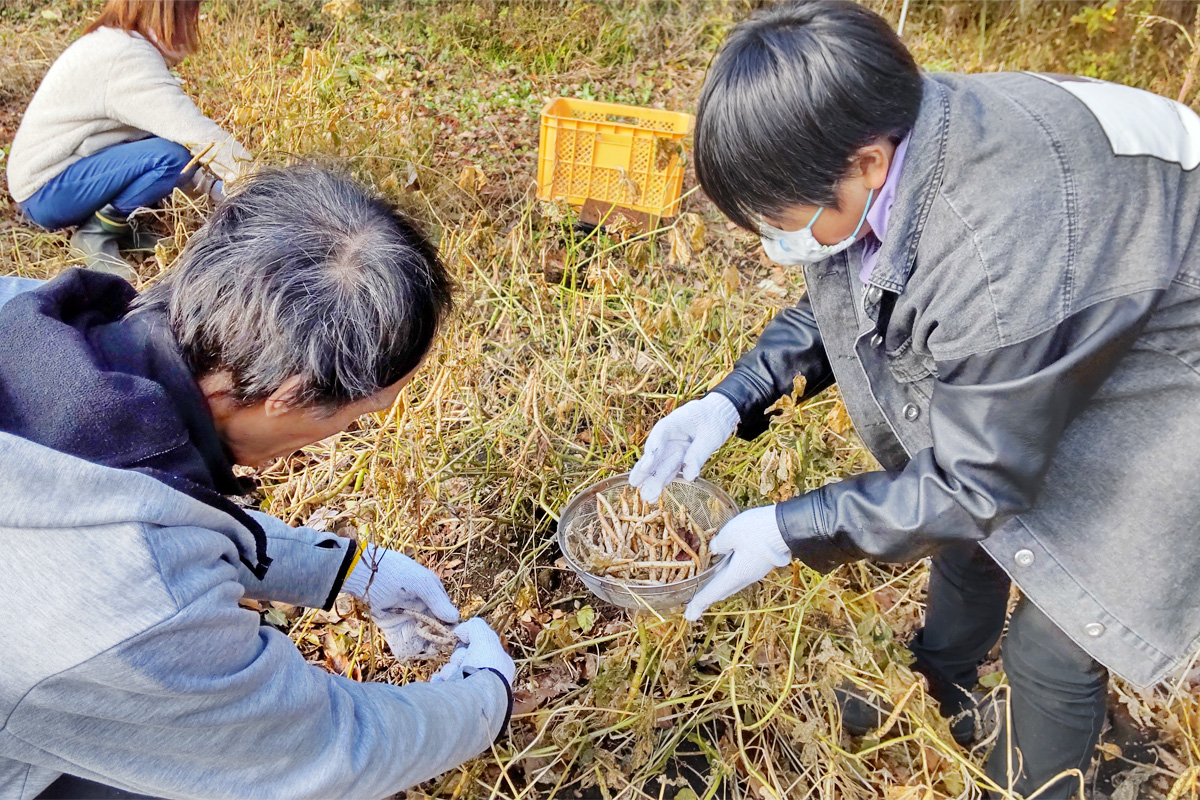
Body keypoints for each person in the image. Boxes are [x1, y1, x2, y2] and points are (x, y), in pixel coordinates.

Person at [630, 2, 1200, 797]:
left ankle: (1034, 783)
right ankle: (939, 686)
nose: (773, 238)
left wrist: (791, 529)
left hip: (1175, 367)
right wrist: (734, 398)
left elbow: (976, 485)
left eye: (779, 217)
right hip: (1095, 286)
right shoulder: (890, 135)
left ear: (864, 163)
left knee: (1058, 632)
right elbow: (853, 295)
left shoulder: (994, 245)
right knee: (962, 540)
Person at [0, 165, 513, 800]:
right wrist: (486, 692)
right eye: (361, 414)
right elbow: (326, 751)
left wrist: (346, 569)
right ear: (290, 397)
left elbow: (132, 500)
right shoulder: (141, 603)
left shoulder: (24, 312)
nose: (348, 433)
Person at [6, 0, 252, 280]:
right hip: (45, 192)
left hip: (57, 178)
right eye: (190, 17)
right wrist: (260, 184)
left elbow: (171, 133)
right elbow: (195, 134)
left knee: (166, 150)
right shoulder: (127, 58)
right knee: (171, 159)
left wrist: (216, 189)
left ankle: (116, 226)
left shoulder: (117, 42)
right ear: (169, 16)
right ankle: (95, 233)